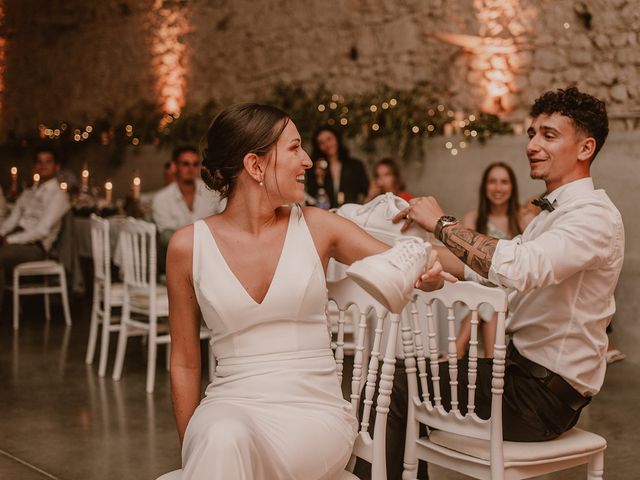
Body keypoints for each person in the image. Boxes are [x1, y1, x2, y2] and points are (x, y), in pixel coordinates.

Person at [166, 103, 446, 479]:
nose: (309, 161)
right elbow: (184, 361)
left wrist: (428, 266)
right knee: (220, 438)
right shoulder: (187, 246)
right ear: (256, 166)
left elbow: (412, 258)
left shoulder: (317, 227)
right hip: (228, 404)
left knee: (227, 452)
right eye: (295, 148)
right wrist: (194, 447)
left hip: (312, 414)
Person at [396, 87, 624, 442]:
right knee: (404, 375)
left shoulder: (593, 216)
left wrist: (442, 225)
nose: (532, 145)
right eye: (532, 134)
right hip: (520, 380)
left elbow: (520, 267)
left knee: (397, 387)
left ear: (585, 148)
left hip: (539, 399)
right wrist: (398, 249)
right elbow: (482, 267)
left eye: (549, 135)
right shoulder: (552, 214)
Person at [456, 162, 534, 358]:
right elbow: (464, 263)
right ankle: (492, 361)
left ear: (512, 187)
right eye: (492, 182)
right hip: (480, 285)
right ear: (484, 187)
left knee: (494, 295)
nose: (498, 188)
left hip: (513, 289)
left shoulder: (522, 220)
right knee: (489, 298)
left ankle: (458, 347)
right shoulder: (473, 219)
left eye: (504, 182)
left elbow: (531, 262)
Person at [0, 147, 70, 311]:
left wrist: (9, 240)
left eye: (48, 162)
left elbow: (42, 231)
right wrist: (1, 233)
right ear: (35, 166)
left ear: (56, 167)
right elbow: (11, 220)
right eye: (39, 162)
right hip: (15, 239)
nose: (43, 166)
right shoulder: (29, 192)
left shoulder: (59, 196)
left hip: (36, 248)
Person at [152, 145, 226, 272]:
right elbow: (167, 237)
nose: (191, 169)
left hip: (212, 254)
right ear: (175, 167)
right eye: (185, 164)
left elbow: (226, 216)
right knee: (166, 236)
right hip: (179, 260)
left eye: (195, 164)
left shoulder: (212, 192)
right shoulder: (161, 198)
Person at [305, 125, 369, 208]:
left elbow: (366, 191)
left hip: (350, 213)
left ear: (337, 138)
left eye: (329, 139)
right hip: (326, 215)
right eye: (321, 143)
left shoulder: (355, 165)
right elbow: (311, 198)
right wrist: (319, 180)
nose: (327, 144)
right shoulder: (316, 168)